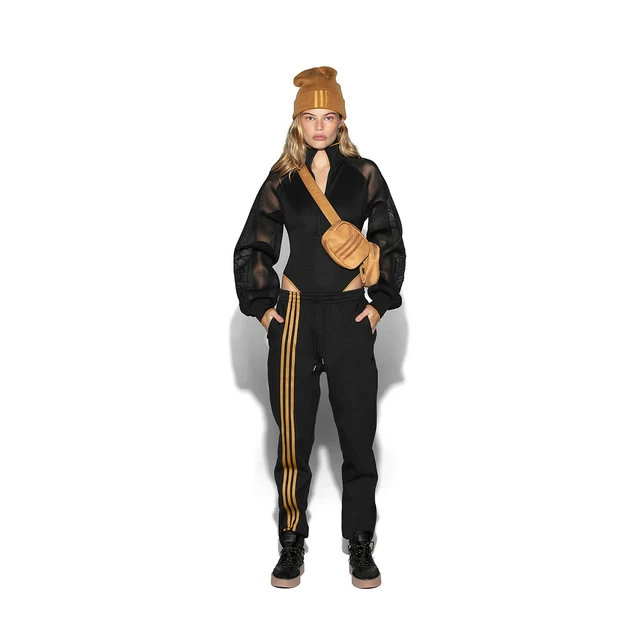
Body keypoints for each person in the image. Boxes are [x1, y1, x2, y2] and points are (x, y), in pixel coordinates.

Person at [233, 66, 406, 589]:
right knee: (293, 439)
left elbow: (390, 236)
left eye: (328, 116)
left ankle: (360, 541)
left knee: (358, 434)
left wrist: (379, 304)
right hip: (295, 315)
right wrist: (265, 309)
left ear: (341, 121)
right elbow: (254, 242)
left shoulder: (365, 174)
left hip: (350, 314)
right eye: (309, 117)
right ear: (297, 122)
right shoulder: (283, 178)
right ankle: (291, 539)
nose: (319, 126)